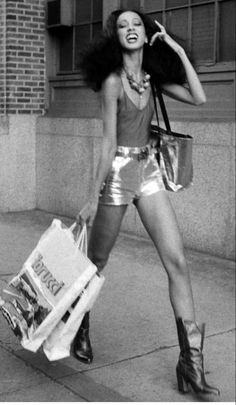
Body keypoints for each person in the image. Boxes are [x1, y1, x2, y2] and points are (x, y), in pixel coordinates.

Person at [73, 9, 220, 397]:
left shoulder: (152, 80)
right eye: (123, 26)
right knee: (97, 262)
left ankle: (190, 364)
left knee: (178, 262)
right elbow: (106, 144)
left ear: (147, 32)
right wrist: (91, 198)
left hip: (150, 172)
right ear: (115, 37)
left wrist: (176, 50)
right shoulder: (112, 83)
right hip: (118, 174)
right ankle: (80, 326)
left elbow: (200, 98)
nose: (131, 29)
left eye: (137, 24)